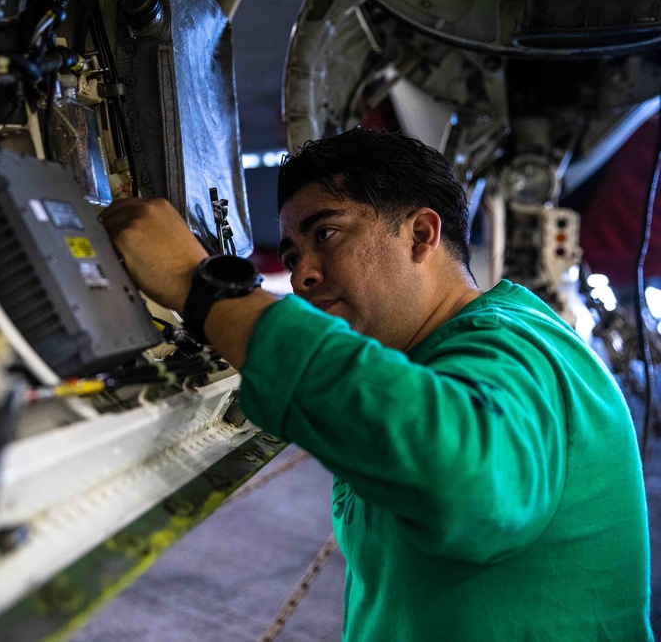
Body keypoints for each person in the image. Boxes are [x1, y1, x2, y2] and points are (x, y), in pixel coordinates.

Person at [100, 128, 652, 641]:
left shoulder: (514, 347)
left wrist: (197, 288)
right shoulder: (449, 357)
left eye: (327, 233)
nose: (300, 275)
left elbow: (466, 485)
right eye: (292, 255)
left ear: (420, 234)